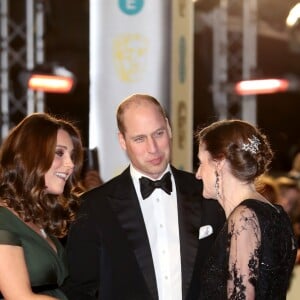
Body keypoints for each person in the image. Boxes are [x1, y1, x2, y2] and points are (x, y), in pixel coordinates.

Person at [63, 93, 226, 300]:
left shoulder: (208, 194)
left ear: (168, 127)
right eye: (139, 139)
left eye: (158, 134)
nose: (153, 148)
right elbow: (80, 290)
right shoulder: (93, 207)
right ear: (122, 140)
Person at [195, 119, 297, 299]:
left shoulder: (244, 217)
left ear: (219, 162)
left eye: (201, 163)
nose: (198, 174)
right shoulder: (277, 214)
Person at [0, 113, 84, 299]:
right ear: (31, 155)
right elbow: (20, 297)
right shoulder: (3, 221)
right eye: (59, 153)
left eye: (72, 155)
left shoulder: (40, 219)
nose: (70, 165)